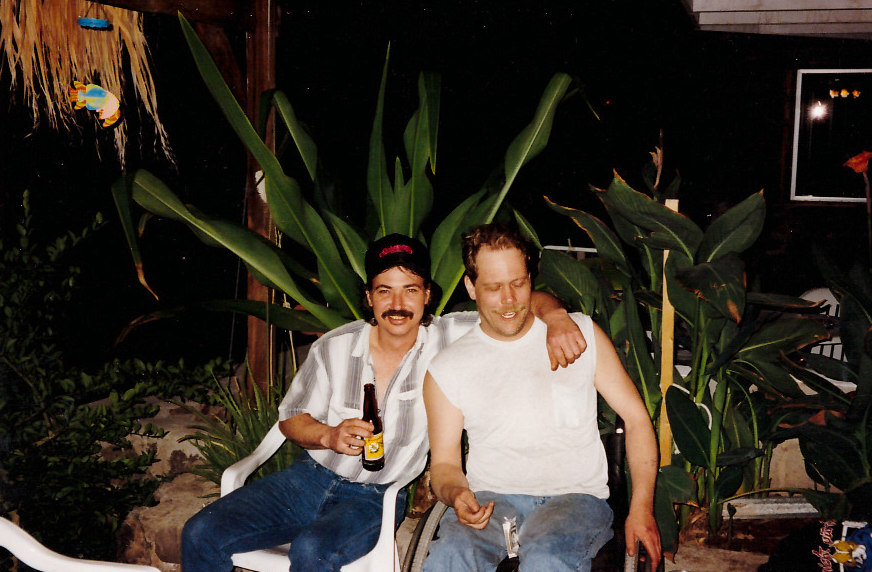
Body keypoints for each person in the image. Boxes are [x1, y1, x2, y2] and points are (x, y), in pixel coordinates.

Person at [181, 233, 588, 572]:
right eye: (384, 291)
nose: (397, 304)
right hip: (306, 480)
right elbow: (291, 418)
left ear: (427, 295)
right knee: (200, 533)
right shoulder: (334, 347)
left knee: (312, 550)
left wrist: (556, 318)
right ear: (369, 298)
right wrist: (328, 435)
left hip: (374, 497)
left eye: (410, 290)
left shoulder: (452, 338)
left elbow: (516, 303)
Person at [423, 224, 661, 572]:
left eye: (518, 283)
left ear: (530, 279)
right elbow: (444, 465)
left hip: (574, 500)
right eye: (494, 287)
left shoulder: (579, 335)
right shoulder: (447, 367)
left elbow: (637, 418)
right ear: (471, 287)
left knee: (548, 559)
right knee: (448, 557)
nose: (509, 299)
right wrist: (457, 494)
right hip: (490, 499)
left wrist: (641, 508)